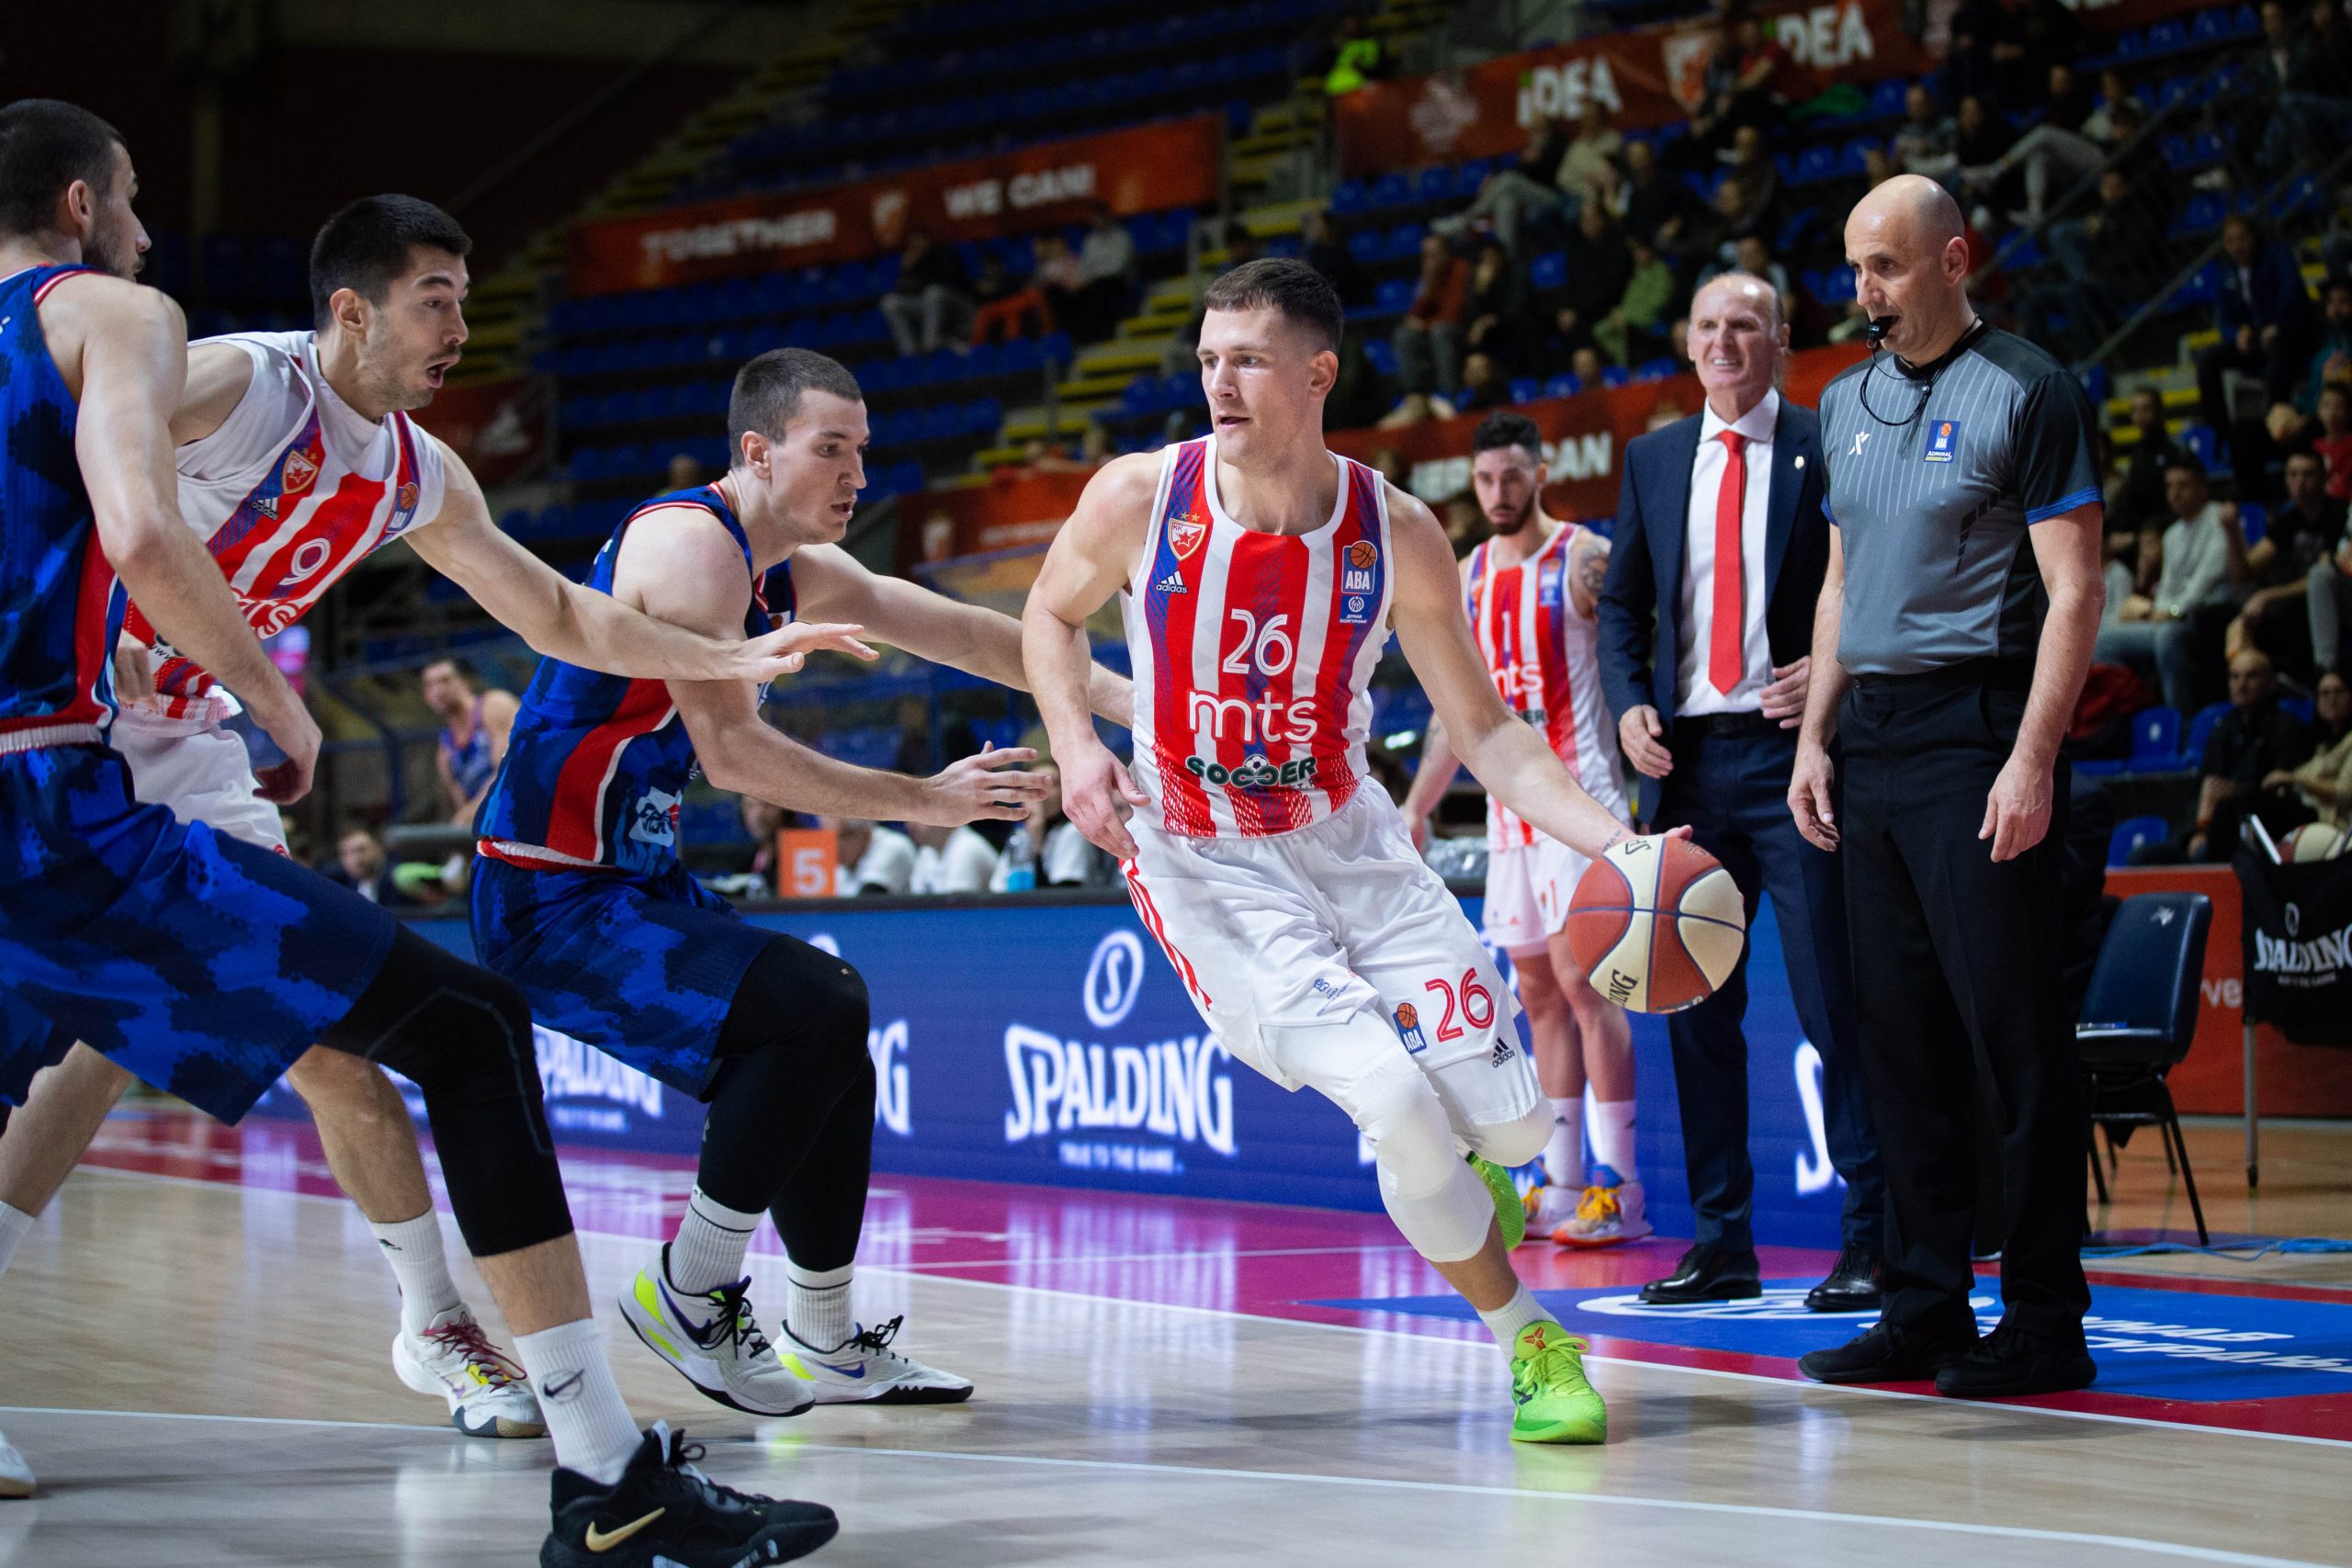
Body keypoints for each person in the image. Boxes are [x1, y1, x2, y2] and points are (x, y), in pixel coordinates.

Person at [0, 97, 836, 1560]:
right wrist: (159, 646)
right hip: (87, 727)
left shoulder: (418, 473)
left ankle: (438, 1318)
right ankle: (538, 1405)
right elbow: (87, 473)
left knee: (345, 1044)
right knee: (263, 1030)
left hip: (188, 749)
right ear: (351, 310)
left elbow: (565, 613)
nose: (459, 328)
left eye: (470, 302)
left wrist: (731, 659)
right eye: (435, 301)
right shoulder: (222, 373)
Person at [1023, 257, 1681, 1444]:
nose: (1219, 382)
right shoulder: (1142, 498)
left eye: (1248, 360)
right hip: (1204, 853)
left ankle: (1459, 1182)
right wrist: (1075, 745)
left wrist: (1617, 843)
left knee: (1522, 1131)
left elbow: (1486, 731)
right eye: (1208, 359)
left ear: (1317, 373)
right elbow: (1047, 614)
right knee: (1395, 1103)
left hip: (1350, 836)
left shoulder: (1401, 532)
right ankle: (1530, 1333)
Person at [471, 346, 1133, 1420]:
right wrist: (928, 799)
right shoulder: (690, 549)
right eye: (832, 450)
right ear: (757, 451)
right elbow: (732, 757)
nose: (855, 475)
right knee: (818, 1005)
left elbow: (967, 633)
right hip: (548, 893)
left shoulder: (793, 566)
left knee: (829, 1039)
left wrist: (1126, 701)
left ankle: (825, 1339)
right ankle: (689, 1289)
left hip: (634, 877)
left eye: (863, 452)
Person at [1792, 175, 2107, 1399]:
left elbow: (2076, 592)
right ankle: (1923, 1303)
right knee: (1898, 1042)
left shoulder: (2029, 386)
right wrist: (1817, 735)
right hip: (1869, 739)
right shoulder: (1842, 400)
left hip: (1981, 732)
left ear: (1955, 260)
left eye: (1885, 267)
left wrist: (2032, 758)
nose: (1863, 293)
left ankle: (2044, 1316)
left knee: (2014, 1039)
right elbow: (1839, 586)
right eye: (1856, 269)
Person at [1598, 273, 1885, 1311]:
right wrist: (1630, 702)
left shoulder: (1827, 440)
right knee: (1693, 1013)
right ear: (1687, 341)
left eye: (1745, 326)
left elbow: (1872, 578)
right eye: (1709, 326)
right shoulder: (1652, 458)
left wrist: (1834, 661)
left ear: (1780, 341)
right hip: (1685, 773)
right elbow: (1623, 608)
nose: (1725, 341)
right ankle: (1722, 1244)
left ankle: (1874, 1239)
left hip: (1795, 756)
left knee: (1831, 1003)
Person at [1399, 413, 1644, 1247]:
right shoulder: (1465, 575)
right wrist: (1420, 804)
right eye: (1484, 479)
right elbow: (1453, 717)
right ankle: (1562, 1178)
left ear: (1541, 474)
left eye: (1512, 476)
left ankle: (1621, 1183)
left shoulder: (1584, 559)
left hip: (1580, 800)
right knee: (1536, 994)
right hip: (1509, 815)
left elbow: (1639, 657)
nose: (1498, 492)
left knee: (1586, 989)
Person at [2094, 454, 2247, 711]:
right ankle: (2133, 702)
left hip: (2210, 615)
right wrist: (2158, 611)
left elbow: (2205, 582)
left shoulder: (2218, 520)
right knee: (2102, 642)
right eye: (2170, 486)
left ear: (2202, 486)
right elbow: (2166, 588)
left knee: (2168, 635)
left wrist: (2168, 613)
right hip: (2171, 617)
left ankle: (2179, 716)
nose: (2175, 493)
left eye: (2183, 485)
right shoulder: (2173, 534)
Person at [2140, 649, 2314, 860]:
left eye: (2251, 676)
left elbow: (2279, 793)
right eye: (2235, 676)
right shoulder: (2223, 727)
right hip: (2210, 830)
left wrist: (2235, 792)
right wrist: (2195, 832)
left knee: (2205, 852)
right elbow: (2203, 789)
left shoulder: (2287, 728)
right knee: (2144, 857)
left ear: (2270, 683)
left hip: (2258, 832)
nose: (2241, 685)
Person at [2198, 216, 2317, 440]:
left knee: (2276, 345)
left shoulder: (2277, 256)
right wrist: (2237, 333)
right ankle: (2220, 429)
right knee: (2206, 359)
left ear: (2254, 237)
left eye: (2242, 238)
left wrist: (2278, 324)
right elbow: (2223, 318)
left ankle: (2274, 416)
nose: (2237, 246)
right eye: (2230, 241)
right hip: (2254, 343)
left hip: (2288, 337)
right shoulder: (2227, 273)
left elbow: (2293, 293)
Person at [2232, 446, 2346, 670]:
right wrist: (2231, 533)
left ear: (2324, 477)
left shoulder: (2339, 514)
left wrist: (2267, 595)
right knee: (2232, 614)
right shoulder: (2288, 519)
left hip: (2337, 598)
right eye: (2293, 474)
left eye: (2307, 474)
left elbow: (2322, 578)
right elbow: (2244, 572)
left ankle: (2318, 674)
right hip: (2297, 597)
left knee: (2287, 609)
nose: (2299, 482)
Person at [424, 655, 518, 824]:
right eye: (430, 685)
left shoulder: (494, 706)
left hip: (522, 809)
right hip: (490, 825)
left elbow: (509, 771)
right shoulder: (445, 750)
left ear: (464, 683)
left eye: (444, 680)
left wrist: (469, 813)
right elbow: (461, 803)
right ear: (426, 697)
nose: (438, 690)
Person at [2270, 666, 2352, 827]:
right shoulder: (2316, 744)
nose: (2332, 699)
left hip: (2336, 827)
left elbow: (2346, 791)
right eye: (2325, 693)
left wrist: (2293, 780)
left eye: (2338, 691)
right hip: (2308, 819)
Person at [1392, 233, 1469, 400]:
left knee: (1439, 331)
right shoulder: (1428, 277)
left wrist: (1424, 324)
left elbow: (1453, 314)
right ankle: (1413, 395)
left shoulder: (1460, 269)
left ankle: (1449, 394)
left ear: (1447, 253)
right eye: (1426, 256)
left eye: (1435, 255)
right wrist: (1428, 284)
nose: (1430, 260)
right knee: (1404, 335)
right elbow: (1414, 315)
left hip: (1460, 330)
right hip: (1434, 329)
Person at [879, 229, 974, 357]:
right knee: (890, 302)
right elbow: (904, 290)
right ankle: (910, 355)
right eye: (911, 244)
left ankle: (930, 343)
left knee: (933, 292)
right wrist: (906, 269)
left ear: (927, 240)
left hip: (958, 305)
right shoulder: (914, 261)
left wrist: (919, 282)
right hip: (930, 306)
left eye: (917, 242)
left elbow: (947, 281)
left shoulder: (943, 252)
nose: (915, 246)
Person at [322, 823, 417, 907]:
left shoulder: (398, 881)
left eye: (361, 850)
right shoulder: (340, 885)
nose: (355, 859)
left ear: (379, 848)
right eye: (346, 853)